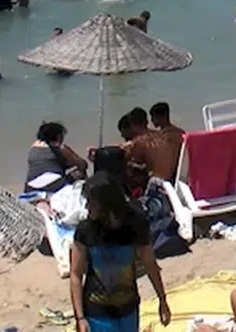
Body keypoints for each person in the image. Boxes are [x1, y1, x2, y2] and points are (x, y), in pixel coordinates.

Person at [69, 173, 170, 332]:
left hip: (128, 309)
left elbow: (150, 264)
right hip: (97, 312)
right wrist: (80, 318)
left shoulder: (135, 225)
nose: (87, 206)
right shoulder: (86, 230)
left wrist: (162, 300)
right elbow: (75, 274)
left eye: (90, 201)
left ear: (105, 203)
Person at [25, 121, 89, 194]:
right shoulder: (60, 149)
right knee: (80, 172)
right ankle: (85, 196)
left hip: (30, 187)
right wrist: (70, 151)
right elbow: (83, 164)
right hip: (53, 185)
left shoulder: (33, 148)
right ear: (58, 136)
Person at [148, 102, 185, 183]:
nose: (151, 120)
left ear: (161, 117)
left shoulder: (161, 137)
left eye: (153, 117)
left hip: (167, 177)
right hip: (179, 173)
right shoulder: (181, 133)